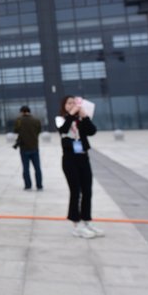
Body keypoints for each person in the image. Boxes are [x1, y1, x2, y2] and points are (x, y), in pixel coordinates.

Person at [57, 95, 104, 239]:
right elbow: (64, 130)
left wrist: (85, 117)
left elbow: (92, 131)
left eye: (74, 103)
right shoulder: (60, 119)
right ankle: (76, 225)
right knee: (75, 191)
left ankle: (86, 222)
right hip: (70, 160)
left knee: (87, 191)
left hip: (83, 157)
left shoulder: (79, 120)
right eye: (69, 103)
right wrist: (72, 114)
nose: (72, 105)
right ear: (64, 106)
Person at [13, 105, 43, 190]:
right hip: (34, 146)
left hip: (24, 147)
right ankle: (39, 185)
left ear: (22, 112)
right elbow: (39, 130)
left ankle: (28, 185)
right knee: (37, 168)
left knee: (26, 168)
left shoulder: (19, 120)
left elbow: (15, 130)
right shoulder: (36, 120)